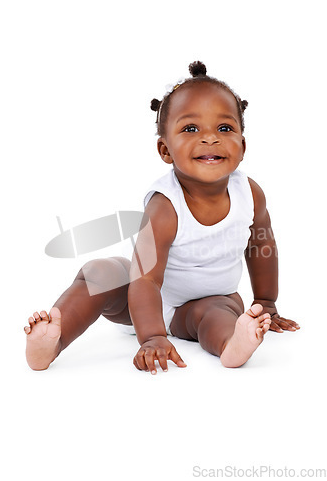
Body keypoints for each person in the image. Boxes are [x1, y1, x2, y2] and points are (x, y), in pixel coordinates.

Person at [24, 61, 300, 373]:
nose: (210, 138)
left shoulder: (249, 194)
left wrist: (267, 303)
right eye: (190, 129)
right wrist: (152, 336)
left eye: (224, 128)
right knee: (99, 271)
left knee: (217, 313)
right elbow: (145, 279)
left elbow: (262, 247)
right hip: (143, 300)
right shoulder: (165, 206)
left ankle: (231, 346)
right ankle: (52, 340)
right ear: (165, 150)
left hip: (209, 301)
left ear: (242, 145)